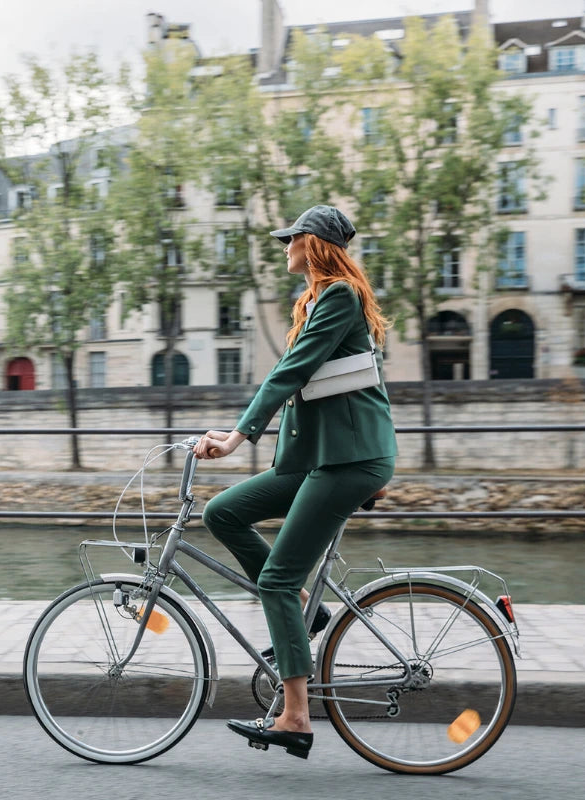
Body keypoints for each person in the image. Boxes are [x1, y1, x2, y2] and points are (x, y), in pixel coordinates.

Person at [193, 205, 397, 759]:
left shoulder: (338, 297)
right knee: (222, 513)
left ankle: (296, 717)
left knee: (275, 582)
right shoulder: (317, 299)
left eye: (293, 238)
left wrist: (238, 437)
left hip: (347, 463)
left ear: (315, 244)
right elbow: (317, 389)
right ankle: (312, 607)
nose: (285, 245)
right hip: (321, 459)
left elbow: (293, 373)